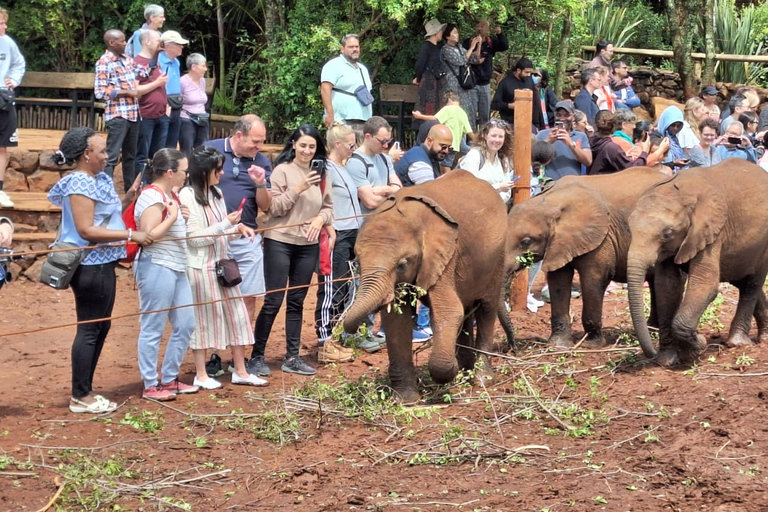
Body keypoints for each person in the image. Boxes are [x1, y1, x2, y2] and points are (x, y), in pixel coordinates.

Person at [48, 127, 152, 413]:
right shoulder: (79, 182)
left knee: (101, 325)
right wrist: (132, 236)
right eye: (102, 151)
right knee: (90, 328)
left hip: (104, 262)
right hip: (89, 265)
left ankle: (86, 390)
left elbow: (103, 216)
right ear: (86, 155)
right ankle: (80, 394)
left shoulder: (97, 179)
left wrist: (129, 197)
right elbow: (86, 229)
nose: (108, 155)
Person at [178, 146, 268, 388]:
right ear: (204, 171)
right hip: (200, 268)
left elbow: (221, 231)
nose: (222, 173)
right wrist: (225, 225)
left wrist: (237, 229)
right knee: (204, 319)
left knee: (238, 316)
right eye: (218, 169)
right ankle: (201, 374)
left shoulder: (216, 192)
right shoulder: (187, 196)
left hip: (222, 266)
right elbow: (194, 239)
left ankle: (240, 370)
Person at [250, 124, 334, 377]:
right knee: (273, 300)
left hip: (307, 245)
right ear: (294, 145)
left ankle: (292, 357)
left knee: (297, 302)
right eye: (303, 145)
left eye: (312, 146)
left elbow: (329, 208)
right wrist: (298, 189)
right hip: (279, 240)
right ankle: (256, 356)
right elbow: (274, 209)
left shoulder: (322, 175)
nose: (307, 151)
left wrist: (321, 220)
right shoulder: (282, 171)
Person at [134, 148, 197, 401]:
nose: (186, 175)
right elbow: (147, 236)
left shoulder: (171, 195)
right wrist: (172, 217)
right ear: (170, 172)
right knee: (153, 326)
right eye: (183, 171)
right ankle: (150, 383)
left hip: (176, 265)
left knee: (186, 323)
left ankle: (169, 377)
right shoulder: (152, 196)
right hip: (157, 264)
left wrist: (178, 216)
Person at [207, 115, 272, 331]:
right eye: (255, 141)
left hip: (247, 237)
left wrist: (260, 184)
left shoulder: (261, 161)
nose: (259, 146)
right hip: (214, 236)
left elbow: (266, 206)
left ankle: (239, 351)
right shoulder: (210, 150)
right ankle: (216, 352)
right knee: (214, 298)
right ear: (238, 135)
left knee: (249, 295)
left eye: (262, 141)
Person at [314, 122, 361, 362]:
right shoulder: (326, 170)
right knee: (332, 287)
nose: (354, 148)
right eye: (351, 144)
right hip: (337, 234)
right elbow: (320, 202)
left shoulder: (343, 168)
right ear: (338, 144)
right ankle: (324, 342)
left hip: (352, 232)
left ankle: (336, 338)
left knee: (346, 288)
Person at [94, 29, 140, 191]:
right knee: (112, 156)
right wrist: (126, 92)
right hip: (118, 115)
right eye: (122, 40)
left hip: (133, 114)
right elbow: (100, 92)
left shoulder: (127, 59)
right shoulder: (104, 62)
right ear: (111, 43)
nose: (125, 43)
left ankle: (130, 192)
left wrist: (154, 54)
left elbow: (142, 73)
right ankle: (105, 191)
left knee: (130, 157)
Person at [347, 116, 402, 214]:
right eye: (382, 142)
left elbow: (400, 190)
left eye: (388, 141)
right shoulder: (355, 163)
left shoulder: (384, 158)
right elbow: (370, 202)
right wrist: (393, 195)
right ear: (368, 136)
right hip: (366, 223)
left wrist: (386, 189)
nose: (385, 146)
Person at [134, 30, 170, 177]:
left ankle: (155, 186)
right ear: (147, 42)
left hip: (161, 115)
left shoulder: (156, 62)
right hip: (145, 116)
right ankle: (140, 186)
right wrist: (157, 83)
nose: (160, 44)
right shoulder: (137, 62)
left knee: (158, 156)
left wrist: (166, 107)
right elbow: (135, 90)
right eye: (157, 41)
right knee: (142, 155)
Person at [320, 34, 373, 130]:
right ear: (342, 49)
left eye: (357, 46)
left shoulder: (363, 69)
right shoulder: (333, 65)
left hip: (364, 120)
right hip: (341, 120)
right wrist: (329, 114)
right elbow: (325, 89)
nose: (355, 49)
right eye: (351, 47)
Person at [412, 89, 473, 172]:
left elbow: (434, 118)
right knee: (463, 151)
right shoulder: (463, 112)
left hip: (447, 144)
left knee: (445, 165)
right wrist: (479, 141)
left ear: (449, 100)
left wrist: (420, 116)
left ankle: (448, 182)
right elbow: (469, 131)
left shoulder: (448, 109)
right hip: (457, 143)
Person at [0, 8, 25, 208]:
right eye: (1, 23)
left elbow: (19, 63)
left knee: (2, 147)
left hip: (4, 98)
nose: (5, 26)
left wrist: (13, 80)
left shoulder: (8, 43)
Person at [589, 110, 666, 174]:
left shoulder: (595, 139)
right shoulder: (614, 144)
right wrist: (658, 150)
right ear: (624, 125)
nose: (634, 127)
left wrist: (624, 156)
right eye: (632, 123)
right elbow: (634, 169)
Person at [464, 19, 508, 128]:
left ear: (488, 29)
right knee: (471, 114)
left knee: (485, 114)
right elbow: (463, 58)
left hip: (485, 83)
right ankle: (471, 139)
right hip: (471, 83)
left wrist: (499, 34)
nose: (480, 28)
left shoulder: (490, 42)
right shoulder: (468, 42)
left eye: (483, 26)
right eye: (478, 26)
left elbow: (504, 46)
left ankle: (484, 138)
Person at [459, 119, 516, 204]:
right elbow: (468, 189)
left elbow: (507, 192)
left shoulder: (503, 159)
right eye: (493, 136)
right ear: (485, 136)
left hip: (496, 209)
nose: (497, 140)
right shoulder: (474, 155)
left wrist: (495, 203)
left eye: (500, 137)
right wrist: (498, 187)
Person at [536, 100, 592, 180]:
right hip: (551, 186)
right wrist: (548, 141)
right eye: (558, 115)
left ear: (573, 116)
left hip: (574, 186)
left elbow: (588, 161)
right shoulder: (543, 134)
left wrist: (571, 145)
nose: (562, 119)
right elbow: (534, 159)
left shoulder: (580, 136)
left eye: (566, 115)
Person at [441, 24, 482, 131]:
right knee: (455, 112)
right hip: (453, 85)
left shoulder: (459, 48)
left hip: (463, 84)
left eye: (457, 32)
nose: (457, 35)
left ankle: (468, 138)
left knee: (468, 112)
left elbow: (474, 59)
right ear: (447, 36)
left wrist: (478, 45)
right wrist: (471, 47)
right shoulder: (446, 49)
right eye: (454, 32)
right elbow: (460, 61)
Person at [491, 57, 543, 130]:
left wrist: (536, 124)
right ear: (518, 70)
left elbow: (535, 103)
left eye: (530, 72)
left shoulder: (529, 80)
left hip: (527, 121)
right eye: (526, 72)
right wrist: (509, 106)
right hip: (510, 122)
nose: (529, 75)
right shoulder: (505, 83)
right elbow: (495, 104)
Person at [158, 30, 189, 150]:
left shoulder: (176, 62)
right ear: (168, 46)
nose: (182, 46)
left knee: (172, 140)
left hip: (176, 104)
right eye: (178, 44)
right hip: (164, 106)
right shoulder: (157, 61)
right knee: (161, 140)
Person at [413, 19, 447, 123]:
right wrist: (418, 78)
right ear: (436, 32)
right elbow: (420, 64)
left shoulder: (436, 47)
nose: (442, 33)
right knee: (427, 107)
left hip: (437, 81)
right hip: (428, 81)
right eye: (440, 31)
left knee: (437, 107)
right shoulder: (426, 46)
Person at [179, 53, 210, 154]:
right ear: (193, 67)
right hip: (187, 118)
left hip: (202, 117)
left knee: (203, 148)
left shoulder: (202, 81)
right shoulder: (182, 82)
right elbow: (177, 102)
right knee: (187, 148)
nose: (205, 69)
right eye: (203, 66)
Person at [656, 106, 691, 170]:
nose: (675, 128)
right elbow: (654, 164)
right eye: (673, 125)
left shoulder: (673, 139)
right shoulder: (656, 138)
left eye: (678, 126)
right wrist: (673, 163)